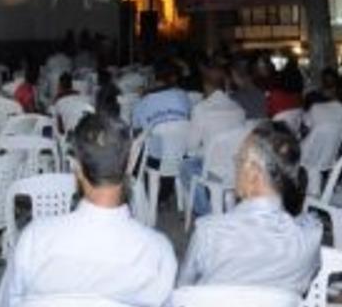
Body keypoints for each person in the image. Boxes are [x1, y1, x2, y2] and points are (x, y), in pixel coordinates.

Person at [0, 113, 177, 307]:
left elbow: (8, 301)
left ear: (75, 166)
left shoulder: (34, 239)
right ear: (131, 163)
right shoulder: (158, 252)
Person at [178, 121, 322, 294]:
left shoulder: (210, 232)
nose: (235, 166)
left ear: (253, 173)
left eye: (238, 160)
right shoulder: (311, 234)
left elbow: (182, 292)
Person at [180, 64, 245, 216]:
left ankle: (207, 213)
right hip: (236, 167)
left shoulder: (201, 109)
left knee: (185, 166)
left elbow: (190, 146)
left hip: (213, 169)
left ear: (206, 85)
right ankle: (224, 205)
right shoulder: (238, 108)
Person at [131, 59, 191, 135]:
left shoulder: (141, 104)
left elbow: (135, 131)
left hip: (155, 145)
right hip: (185, 145)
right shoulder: (183, 96)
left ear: (153, 77)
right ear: (174, 77)